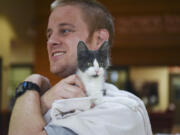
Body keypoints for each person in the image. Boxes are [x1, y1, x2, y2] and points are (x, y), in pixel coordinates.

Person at [8, 0, 153, 135]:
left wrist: (29, 85)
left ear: (99, 40)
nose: (51, 41)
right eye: (49, 34)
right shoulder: (51, 101)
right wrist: (44, 101)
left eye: (65, 30)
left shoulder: (121, 111)